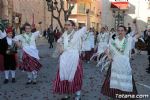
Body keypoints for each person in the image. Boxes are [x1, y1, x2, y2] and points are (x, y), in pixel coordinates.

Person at [53, 10, 90, 100]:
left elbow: (87, 27)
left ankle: (77, 94)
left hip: (74, 57)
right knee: (64, 75)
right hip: (64, 58)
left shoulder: (77, 33)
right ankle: (66, 93)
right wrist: (60, 48)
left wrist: (87, 15)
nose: (66, 26)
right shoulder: (63, 35)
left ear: (73, 26)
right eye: (66, 25)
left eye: (69, 25)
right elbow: (58, 43)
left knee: (75, 75)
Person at [101, 21, 140, 99]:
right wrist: (109, 56)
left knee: (125, 80)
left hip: (125, 64)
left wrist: (136, 24)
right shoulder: (113, 40)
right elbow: (106, 48)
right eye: (118, 30)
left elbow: (139, 34)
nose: (120, 32)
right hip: (115, 63)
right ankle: (115, 95)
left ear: (125, 32)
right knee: (114, 81)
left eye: (122, 30)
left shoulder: (129, 40)